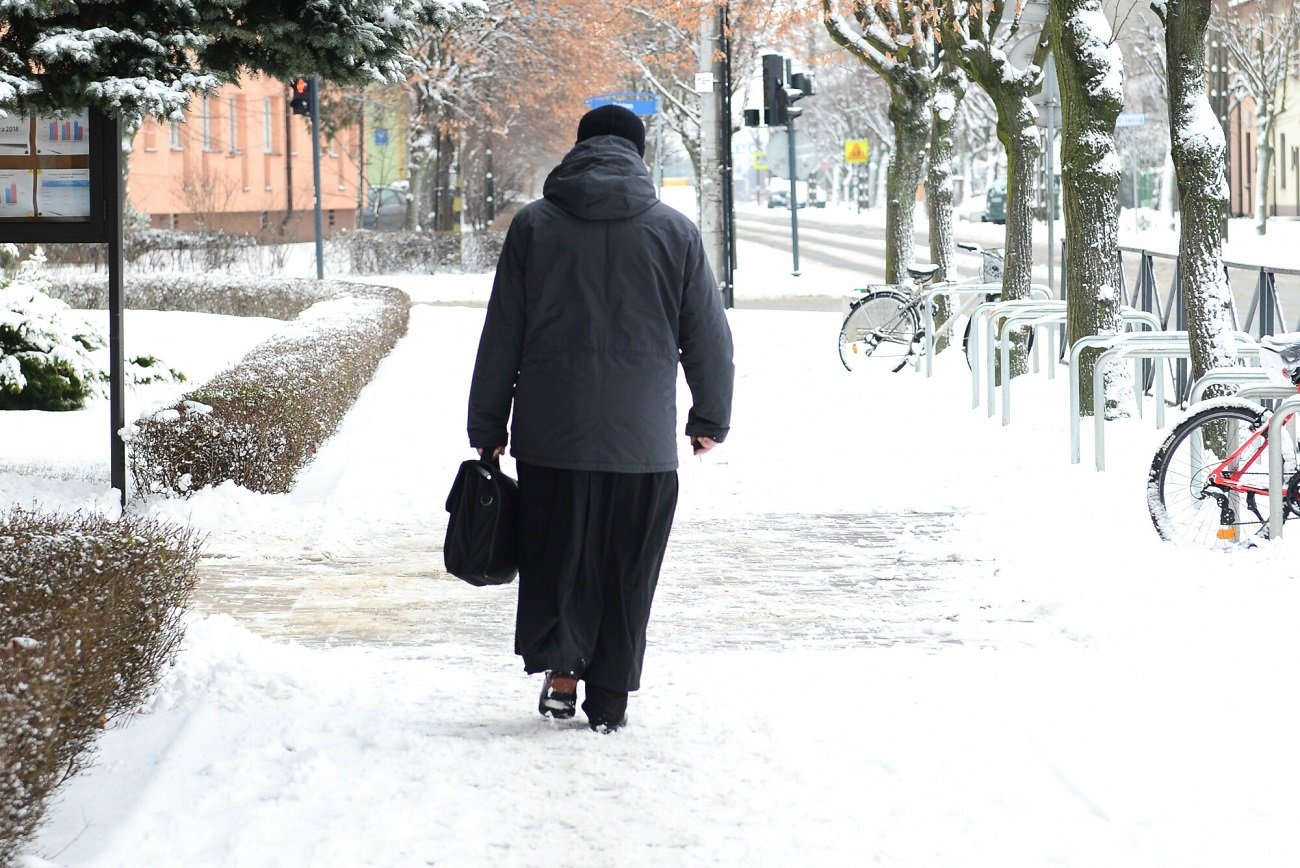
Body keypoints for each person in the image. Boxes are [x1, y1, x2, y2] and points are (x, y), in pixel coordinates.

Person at [466, 104, 734, 733]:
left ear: (578, 148)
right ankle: (609, 697)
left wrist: (487, 427)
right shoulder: (676, 232)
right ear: (639, 156)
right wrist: (710, 416)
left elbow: (501, 332)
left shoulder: (534, 226)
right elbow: (708, 337)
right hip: (639, 443)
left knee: (558, 558)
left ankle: (562, 675)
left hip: (550, 436)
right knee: (627, 567)